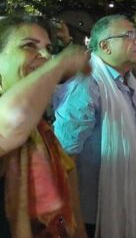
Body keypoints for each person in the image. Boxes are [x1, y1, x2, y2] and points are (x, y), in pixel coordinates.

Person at [54, 15, 136, 238]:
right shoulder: (88, 84)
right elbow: (64, 154)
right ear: (105, 46)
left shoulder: (127, 81)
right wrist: (74, 222)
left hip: (133, 206)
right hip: (98, 215)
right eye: (129, 35)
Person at [0, 15, 89, 237]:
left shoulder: (44, 133)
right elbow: (13, 121)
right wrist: (62, 63)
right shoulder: (17, 122)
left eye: (49, 49)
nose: (46, 56)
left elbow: (72, 212)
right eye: (29, 45)